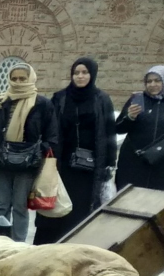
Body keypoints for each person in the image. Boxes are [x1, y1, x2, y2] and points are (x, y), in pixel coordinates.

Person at [0, 60, 55, 243]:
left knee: (20, 206)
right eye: (14, 78)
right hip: (2, 163)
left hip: (27, 165)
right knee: (1, 204)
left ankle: (19, 246)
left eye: (22, 78)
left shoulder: (42, 104)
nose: (18, 82)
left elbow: (52, 135)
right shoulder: (1, 103)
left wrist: (39, 152)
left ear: (31, 79)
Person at [39, 58, 116, 242]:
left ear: (92, 74)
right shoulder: (60, 98)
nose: (80, 76)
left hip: (89, 168)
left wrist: (109, 164)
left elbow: (109, 133)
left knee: (81, 209)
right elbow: (48, 128)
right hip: (62, 164)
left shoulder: (102, 99)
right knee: (57, 206)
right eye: (76, 73)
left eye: (84, 72)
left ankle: (76, 244)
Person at [114, 64, 164, 192]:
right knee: (128, 202)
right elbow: (118, 128)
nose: (152, 84)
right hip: (134, 163)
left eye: (157, 80)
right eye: (149, 81)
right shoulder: (137, 100)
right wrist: (130, 117)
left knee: (159, 205)